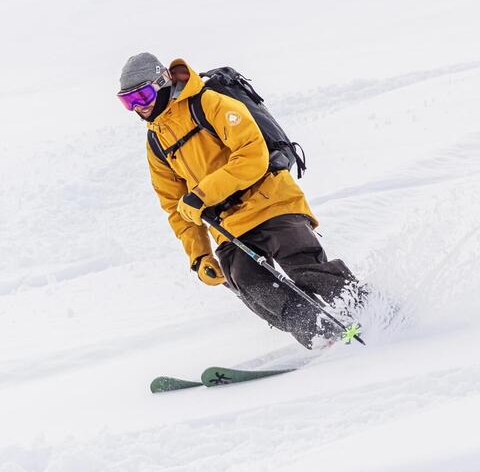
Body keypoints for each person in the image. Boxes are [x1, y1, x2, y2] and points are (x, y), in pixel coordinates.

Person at [117, 52, 362, 348]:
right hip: (227, 224)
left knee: (304, 268)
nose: (139, 108)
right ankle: (321, 333)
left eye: (142, 95)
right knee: (248, 282)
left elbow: (251, 154)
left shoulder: (209, 104)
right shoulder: (156, 142)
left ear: (162, 82)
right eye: (128, 102)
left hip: (270, 200)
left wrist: (202, 195)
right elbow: (174, 205)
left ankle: (369, 309)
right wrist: (200, 257)